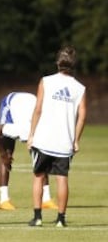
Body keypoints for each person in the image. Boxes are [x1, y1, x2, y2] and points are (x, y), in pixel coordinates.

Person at [27, 46, 86, 227]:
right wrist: (75, 139)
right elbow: (82, 115)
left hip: (44, 139)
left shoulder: (46, 81)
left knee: (38, 176)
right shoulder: (79, 88)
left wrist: (31, 135)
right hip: (63, 142)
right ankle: (61, 219)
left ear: (57, 62)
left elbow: (38, 109)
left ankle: (37, 217)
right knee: (62, 178)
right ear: (74, 64)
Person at [0, 92, 58, 210]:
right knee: (8, 150)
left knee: (42, 158)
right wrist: (3, 154)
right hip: (12, 103)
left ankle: (46, 199)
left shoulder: (47, 131)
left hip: (29, 104)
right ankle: (4, 200)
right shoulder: (21, 130)